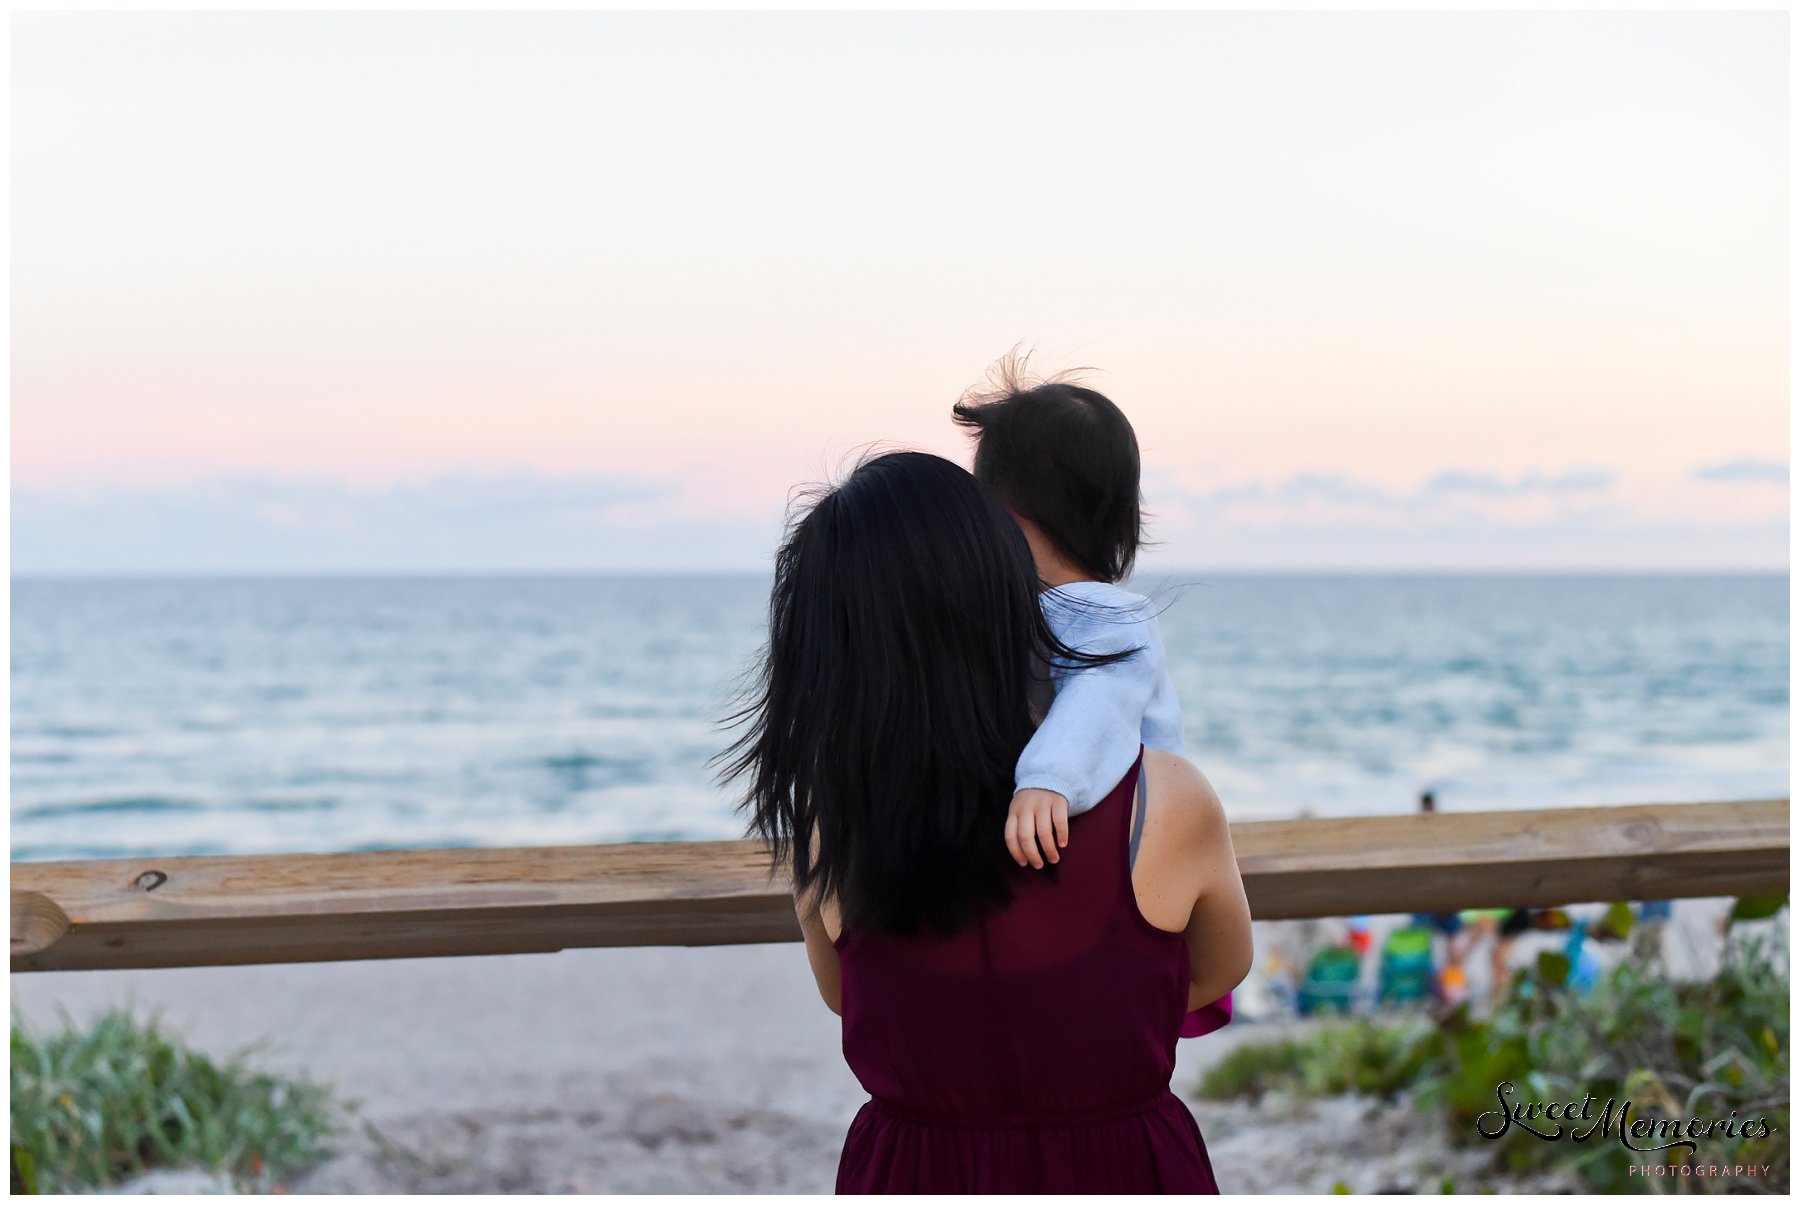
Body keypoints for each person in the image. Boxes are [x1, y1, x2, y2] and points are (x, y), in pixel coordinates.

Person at [721, 451, 1253, 1194]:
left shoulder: (828, 825)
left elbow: (850, 995)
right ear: (1003, 598)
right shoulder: (1166, 801)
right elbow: (1216, 971)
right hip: (1123, 1166)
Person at [952, 354, 1231, 1038]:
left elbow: (1097, 700)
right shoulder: (1049, 606)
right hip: (1095, 832)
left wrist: (1046, 779)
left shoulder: (1105, 616)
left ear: (1008, 513)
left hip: (1119, 829)